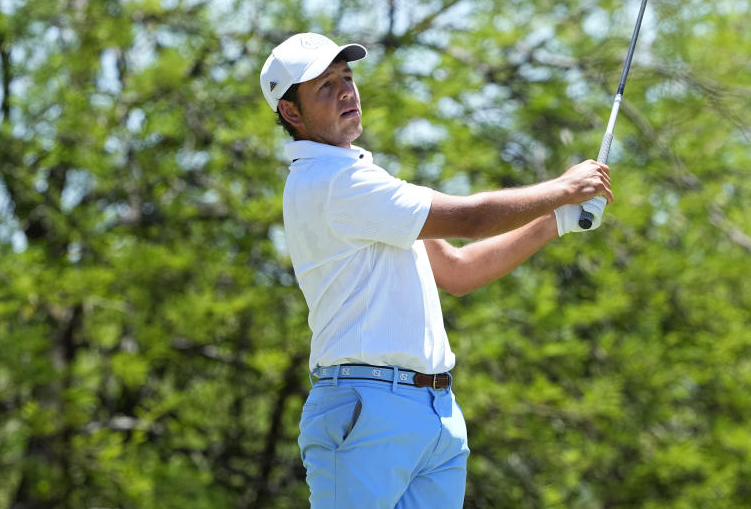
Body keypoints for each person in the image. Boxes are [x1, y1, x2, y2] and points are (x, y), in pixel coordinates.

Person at [259, 32, 612, 508]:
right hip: (366, 410)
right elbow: (472, 220)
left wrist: (558, 220)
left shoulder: (362, 180)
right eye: (324, 86)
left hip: (434, 414)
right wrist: (563, 187)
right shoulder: (333, 182)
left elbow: (460, 271)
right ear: (291, 113)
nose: (346, 90)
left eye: (346, 76)